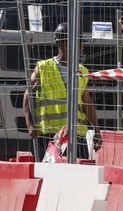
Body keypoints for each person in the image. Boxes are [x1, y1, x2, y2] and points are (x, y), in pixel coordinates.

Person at [23, 24, 99, 161]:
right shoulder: (44, 68)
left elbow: (87, 104)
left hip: (77, 135)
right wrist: (30, 125)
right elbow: (28, 95)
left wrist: (97, 131)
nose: (82, 47)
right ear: (66, 44)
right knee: (49, 172)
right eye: (80, 43)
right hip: (50, 136)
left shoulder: (82, 71)